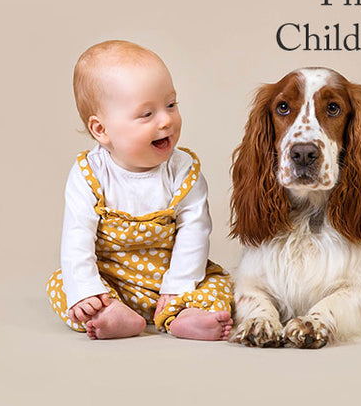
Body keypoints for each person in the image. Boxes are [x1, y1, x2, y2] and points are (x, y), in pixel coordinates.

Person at [46, 40, 233, 340]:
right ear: (101, 130)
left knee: (219, 283)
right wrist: (87, 290)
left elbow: (195, 230)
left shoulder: (182, 170)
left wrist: (179, 286)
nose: (166, 120)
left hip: (171, 278)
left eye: (171, 105)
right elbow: (76, 237)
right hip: (112, 279)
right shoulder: (90, 174)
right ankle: (111, 314)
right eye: (147, 114)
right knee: (63, 285)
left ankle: (185, 316)